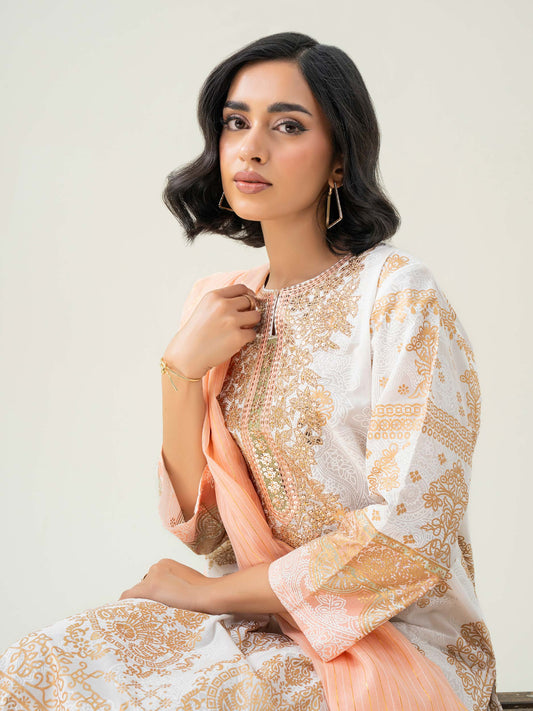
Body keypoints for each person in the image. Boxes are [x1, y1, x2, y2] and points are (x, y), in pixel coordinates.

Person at [0, 31, 501, 711]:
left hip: (394, 635)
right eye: (236, 123)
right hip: (253, 625)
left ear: (339, 159)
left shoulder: (396, 295)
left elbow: (405, 541)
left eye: (286, 125)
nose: (250, 147)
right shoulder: (217, 301)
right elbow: (207, 532)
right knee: (39, 663)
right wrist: (179, 372)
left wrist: (205, 593)